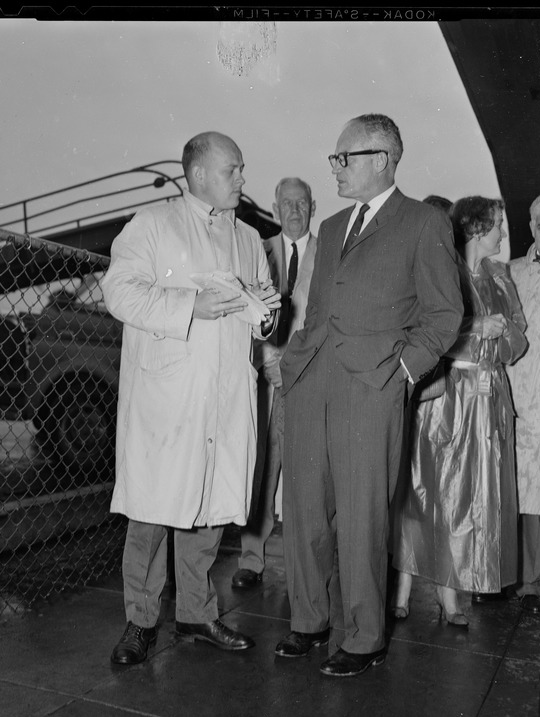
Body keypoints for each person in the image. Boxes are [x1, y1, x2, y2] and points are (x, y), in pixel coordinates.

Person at [275, 113, 464, 677]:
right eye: (334, 158)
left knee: (360, 518)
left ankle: (363, 638)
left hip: (372, 388)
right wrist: (293, 364)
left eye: (344, 158)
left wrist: (401, 373)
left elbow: (444, 315)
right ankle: (308, 622)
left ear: (381, 159)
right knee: (305, 512)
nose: (335, 167)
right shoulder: (331, 227)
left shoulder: (424, 222)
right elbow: (315, 310)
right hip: (311, 382)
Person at [102, 131, 281, 664]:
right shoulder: (152, 225)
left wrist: (266, 314)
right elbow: (120, 291)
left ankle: (197, 614)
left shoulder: (249, 238)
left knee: (207, 511)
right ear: (200, 174)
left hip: (224, 396)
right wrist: (190, 305)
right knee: (154, 513)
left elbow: (264, 311)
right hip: (169, 399)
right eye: (234, 171)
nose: (242, 180)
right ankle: (140, 623)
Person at [391, 196, 528, 626]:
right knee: (431, 491)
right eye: (497, 226)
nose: (503, 234)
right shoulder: (443, 273)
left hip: (489, 400)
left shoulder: (501, 277)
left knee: (476, 498)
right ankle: (404, 586)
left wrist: (502, 335)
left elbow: (518, 342)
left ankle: (454, 590)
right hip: (448, 399)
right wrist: (474, 331)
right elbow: (424, 333)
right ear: (475, 229)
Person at [232, 178, 317, 589]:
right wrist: (268, 360)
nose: (295, 210)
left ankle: (304, 568)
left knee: (306, 473)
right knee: (260, 469)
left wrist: (294, 362)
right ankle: (251, 559)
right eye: (287, 203)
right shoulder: (257, 251)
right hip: (266, 381)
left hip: (307, 380)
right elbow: (245, 315)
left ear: (312, 207)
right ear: (276, 207)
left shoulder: (329, 255)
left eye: (301, 202)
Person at [506, 192, 540, 614]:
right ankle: (531, 584)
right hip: (521, 403)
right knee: (528, 496)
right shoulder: (513, 274)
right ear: (531, 227)